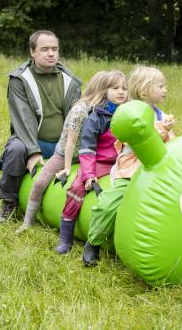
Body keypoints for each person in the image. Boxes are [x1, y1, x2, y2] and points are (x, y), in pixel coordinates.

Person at [82, 67, 175, 266]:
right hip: (131, 169)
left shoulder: (162, 115)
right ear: (144, 90)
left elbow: (169, 145)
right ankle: (93, 242)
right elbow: (139, 137)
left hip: (156, 169)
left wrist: (169, 133)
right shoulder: (130, 112)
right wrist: (162, 130)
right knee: (108, 204)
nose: (165, 90)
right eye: (160, 86)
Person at [16, 71, 119, 234]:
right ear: (101, 91)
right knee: (40, 182)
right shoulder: (82, 109)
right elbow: (71, 142)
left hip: (89, 155)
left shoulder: (105, 111)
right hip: (65, 154)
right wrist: (67, 167)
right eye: (111, 89)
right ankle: (28, 221)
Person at [0, 30, 82, 223]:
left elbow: (77, 118)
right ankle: (8, 202)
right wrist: (33, 151)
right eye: (44, 49)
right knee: (16, 150)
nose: (51, 53)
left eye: (54, 49)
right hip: (32, 140)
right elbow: (22, 118)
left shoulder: (70, 81)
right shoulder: (19, 80)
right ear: (32, 52)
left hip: (61, 145)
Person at [55, 71, 128, 254]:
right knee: (77, 188)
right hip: (100, 162)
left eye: (124, 88)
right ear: (105, 91)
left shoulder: (128, 114)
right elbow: (87, 149)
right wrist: (89, 174)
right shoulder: (96, 116)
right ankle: (66, 238)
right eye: (115, 88)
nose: (121, 92)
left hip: (123, 162)